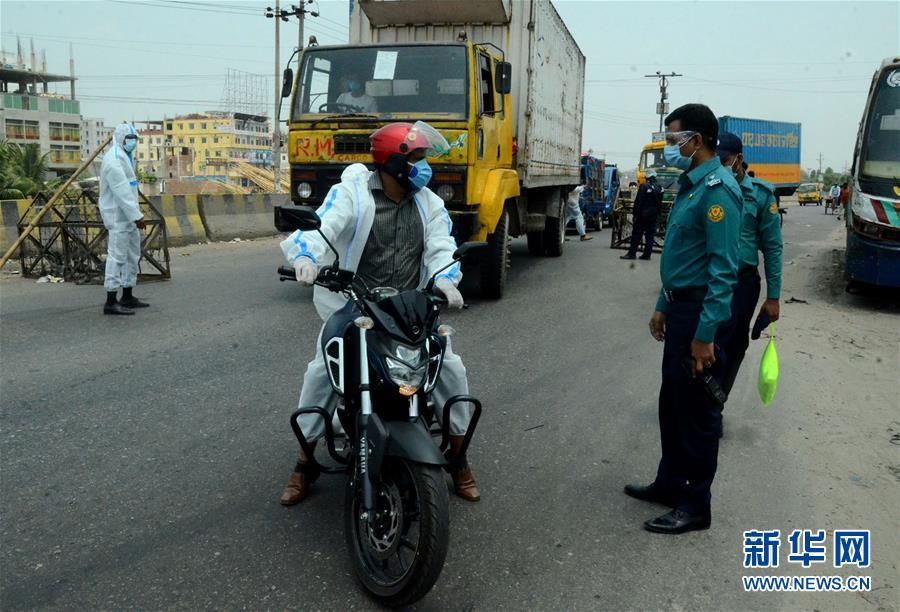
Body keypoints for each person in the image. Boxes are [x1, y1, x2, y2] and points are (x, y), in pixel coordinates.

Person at [279, 121, 480, 506]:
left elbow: (442, 246)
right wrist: (306, 256)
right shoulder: (353, 192)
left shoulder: (429, 202)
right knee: (322, 370)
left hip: (409, 307)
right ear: (394, 162)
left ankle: (459, 458)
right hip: (356, 304)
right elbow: (325, 225)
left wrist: (447, 278)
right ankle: (305, 461)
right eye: (418, 158)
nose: (425, 166)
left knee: (450, 368)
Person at [624, 104, 742, 535]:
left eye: (674, 139)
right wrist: (661, 303)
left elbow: (723, 269)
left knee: (696, 411)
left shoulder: (717, 190)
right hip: (679, 305)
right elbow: (681, 256)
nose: (671, 147)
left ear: (697, 139)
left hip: (699, 312)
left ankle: (694, 504)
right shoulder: (691, 185)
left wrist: (704, 334)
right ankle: (669, 482)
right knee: (671, 403)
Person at [714, 132, 782, 400]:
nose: (721, 166)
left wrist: (773, 297)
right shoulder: (712, 188)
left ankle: (718, 400)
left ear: (739, 159)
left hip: (742, 283)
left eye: (725, 160)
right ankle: (706, 402)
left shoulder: (761, 196)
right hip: (710, 280)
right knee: (708, 341)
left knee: (735, 344)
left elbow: (773, 248)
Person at [98, 123, 149, 315]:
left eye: (135, 140)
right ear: (120, 139)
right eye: (130, 140)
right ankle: (111, 300)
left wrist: (134, 215)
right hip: (118, 215)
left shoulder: (124, 156)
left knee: (131, 255)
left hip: (128, 215)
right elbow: (121, 192)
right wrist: (137, 216)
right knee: (117, 256)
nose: (133, 143)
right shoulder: (113, 160)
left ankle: (127, 295)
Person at [620, 172, 662, 260]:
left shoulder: (644, 186)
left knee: (636, 235)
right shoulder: (660, 188)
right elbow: (660, 203)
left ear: (647, 177)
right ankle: (647, 255)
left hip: (642, 216)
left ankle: (632, 254)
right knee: (650, 236)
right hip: (653, 216)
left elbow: (638, 202)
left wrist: (635, 214)